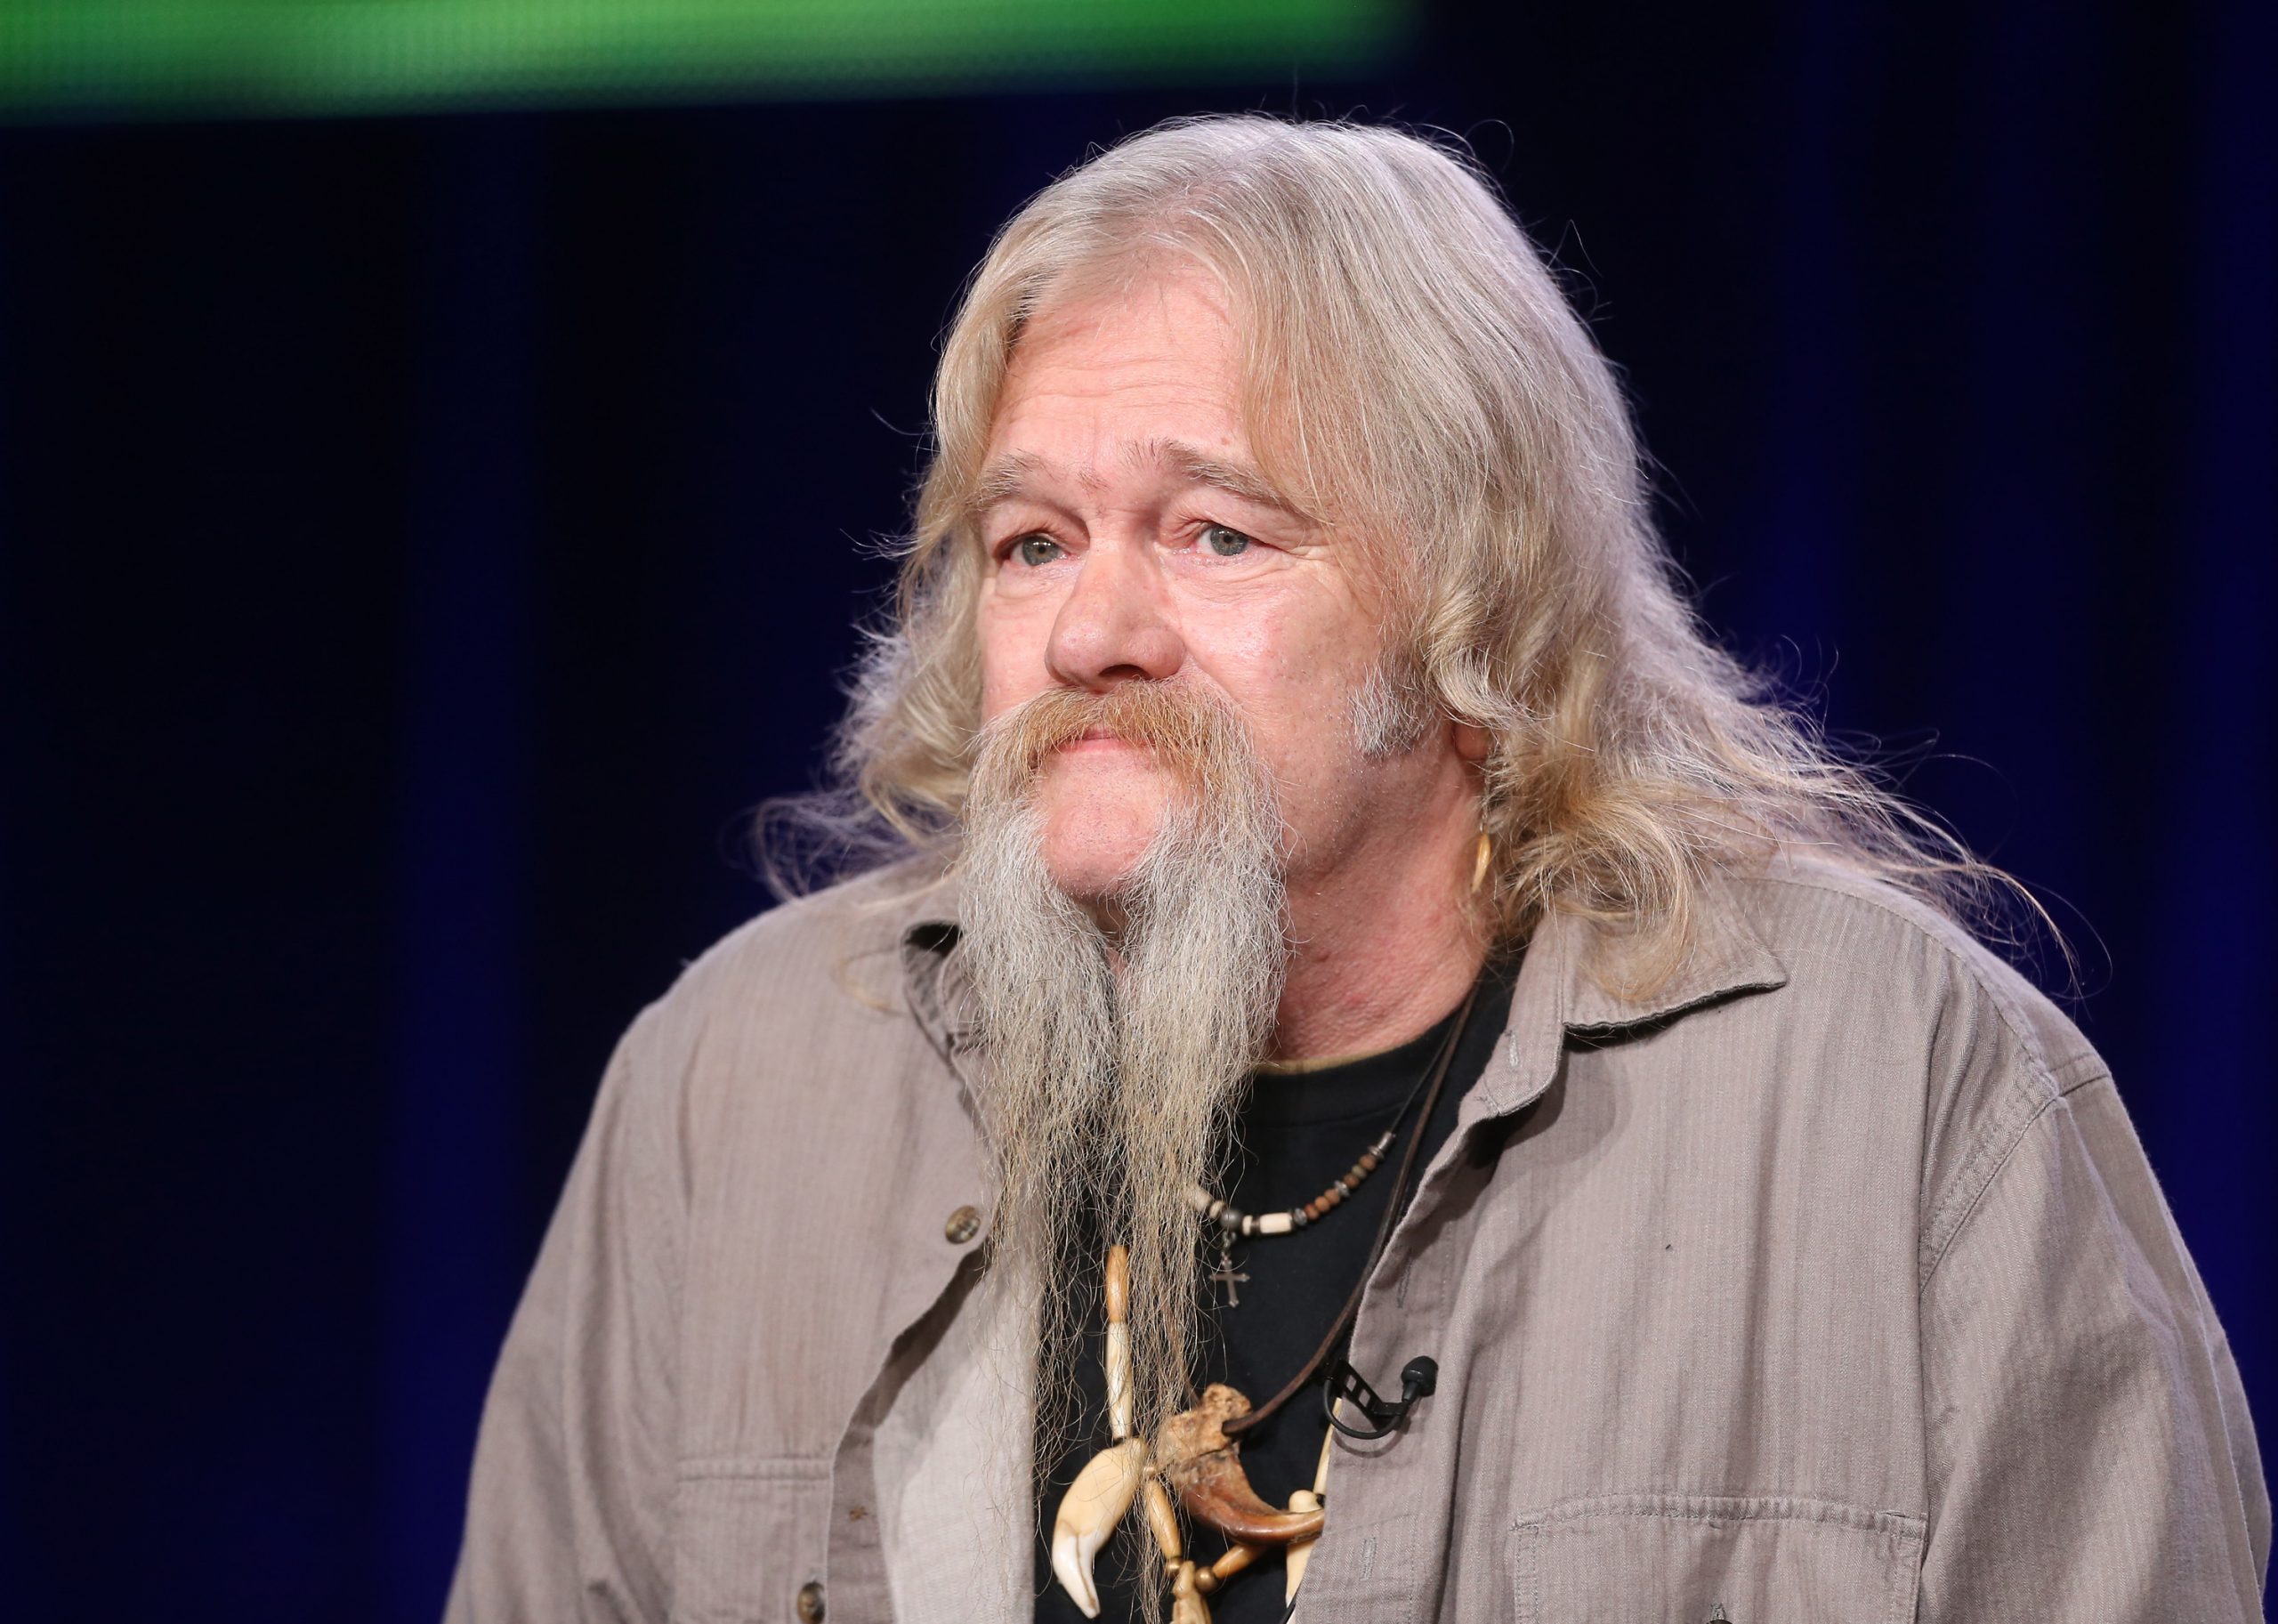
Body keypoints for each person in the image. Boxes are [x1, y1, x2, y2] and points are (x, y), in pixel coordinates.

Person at [443, 115, 2268, 1623]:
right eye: (1028, 541)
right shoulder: (733, 1088)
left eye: (1214, 532)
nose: (1090, 629)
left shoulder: (1907, 1098)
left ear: (1473, 608)